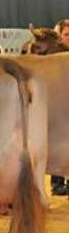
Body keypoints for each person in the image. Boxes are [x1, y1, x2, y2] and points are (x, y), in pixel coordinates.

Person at [49, 19, 69, 195]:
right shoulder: (52, 59)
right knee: (57, 145)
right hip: (57, 110)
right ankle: (56, 183)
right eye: (66, 34)